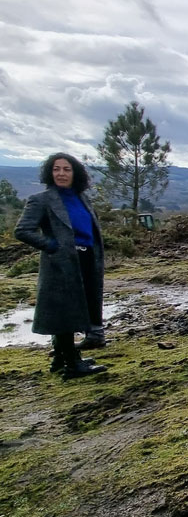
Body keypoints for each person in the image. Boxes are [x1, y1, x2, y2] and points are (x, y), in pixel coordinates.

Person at [14, 152, 108, 380]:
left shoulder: (82, 199)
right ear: (50, 173)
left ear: (74, 173)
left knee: (78, 306)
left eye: (66, 169)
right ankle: (73, 364)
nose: (61, 173)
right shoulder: (42, 199)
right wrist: (52, 246)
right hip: (60, 263)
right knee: (63, 311)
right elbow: (22, 230)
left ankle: (60, 357)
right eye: (56, 169)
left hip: (86, 259)